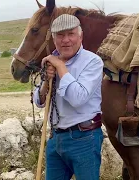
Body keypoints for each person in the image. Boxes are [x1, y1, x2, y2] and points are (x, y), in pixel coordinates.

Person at [33, 14, 104, 180]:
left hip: (85, 139)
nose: (66, 40)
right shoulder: (50, 61)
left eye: (71, 34)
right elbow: (39, 101)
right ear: (53, 38)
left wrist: (60, 66)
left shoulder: (93, 62)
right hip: (56, 138)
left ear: (80, 36)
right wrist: (46, 82)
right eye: (60, 35)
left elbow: (78, 98)